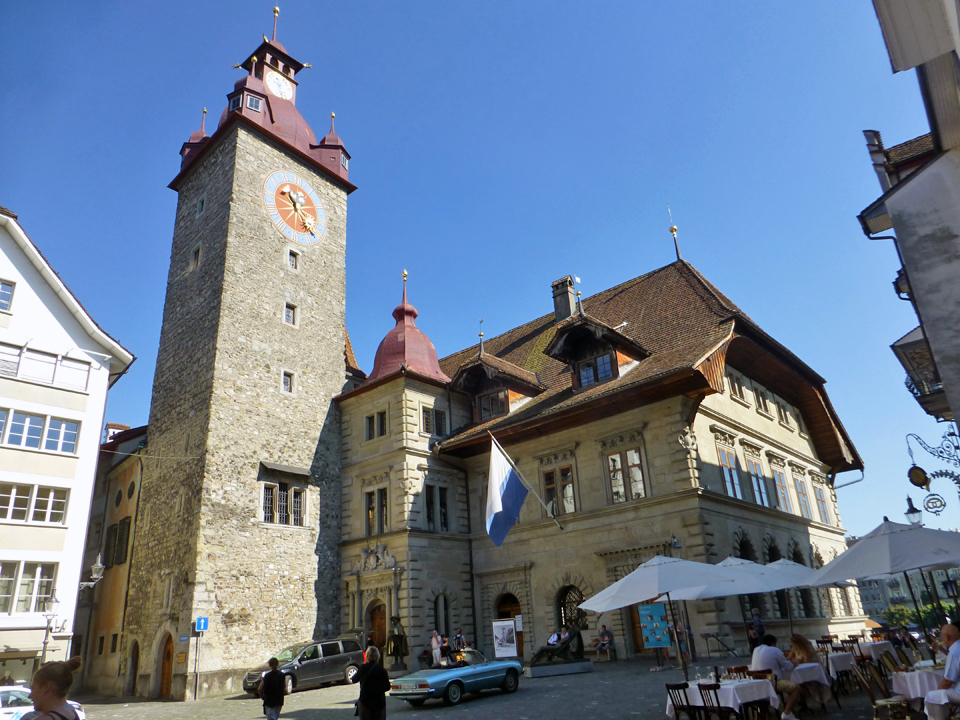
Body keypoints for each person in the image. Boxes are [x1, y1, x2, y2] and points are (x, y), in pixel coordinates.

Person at [750, 634, 802, 720]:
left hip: (758, 683)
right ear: (773, 643)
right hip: (772, 682)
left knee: (790, 686)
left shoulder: (756, 650)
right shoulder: (774, 650)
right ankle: (787, 713)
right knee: (796, 688)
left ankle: (786, 706)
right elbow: (787, 666)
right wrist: (795, 662)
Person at [925, 624, 960, 720]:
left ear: (947, 636)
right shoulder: (957, 648)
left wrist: (938, 692)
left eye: (942, 636)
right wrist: (941, 648)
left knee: (932, 696)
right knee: (938, 694)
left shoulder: (954, 651)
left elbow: (948, 681)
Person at [357, 646, 391, 720]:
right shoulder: (381, 670)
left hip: (365, 700)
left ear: (367, 656)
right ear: (378, 656)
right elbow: (387, 687)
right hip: (379, 702)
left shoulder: (363, 668)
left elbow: (354, 679)